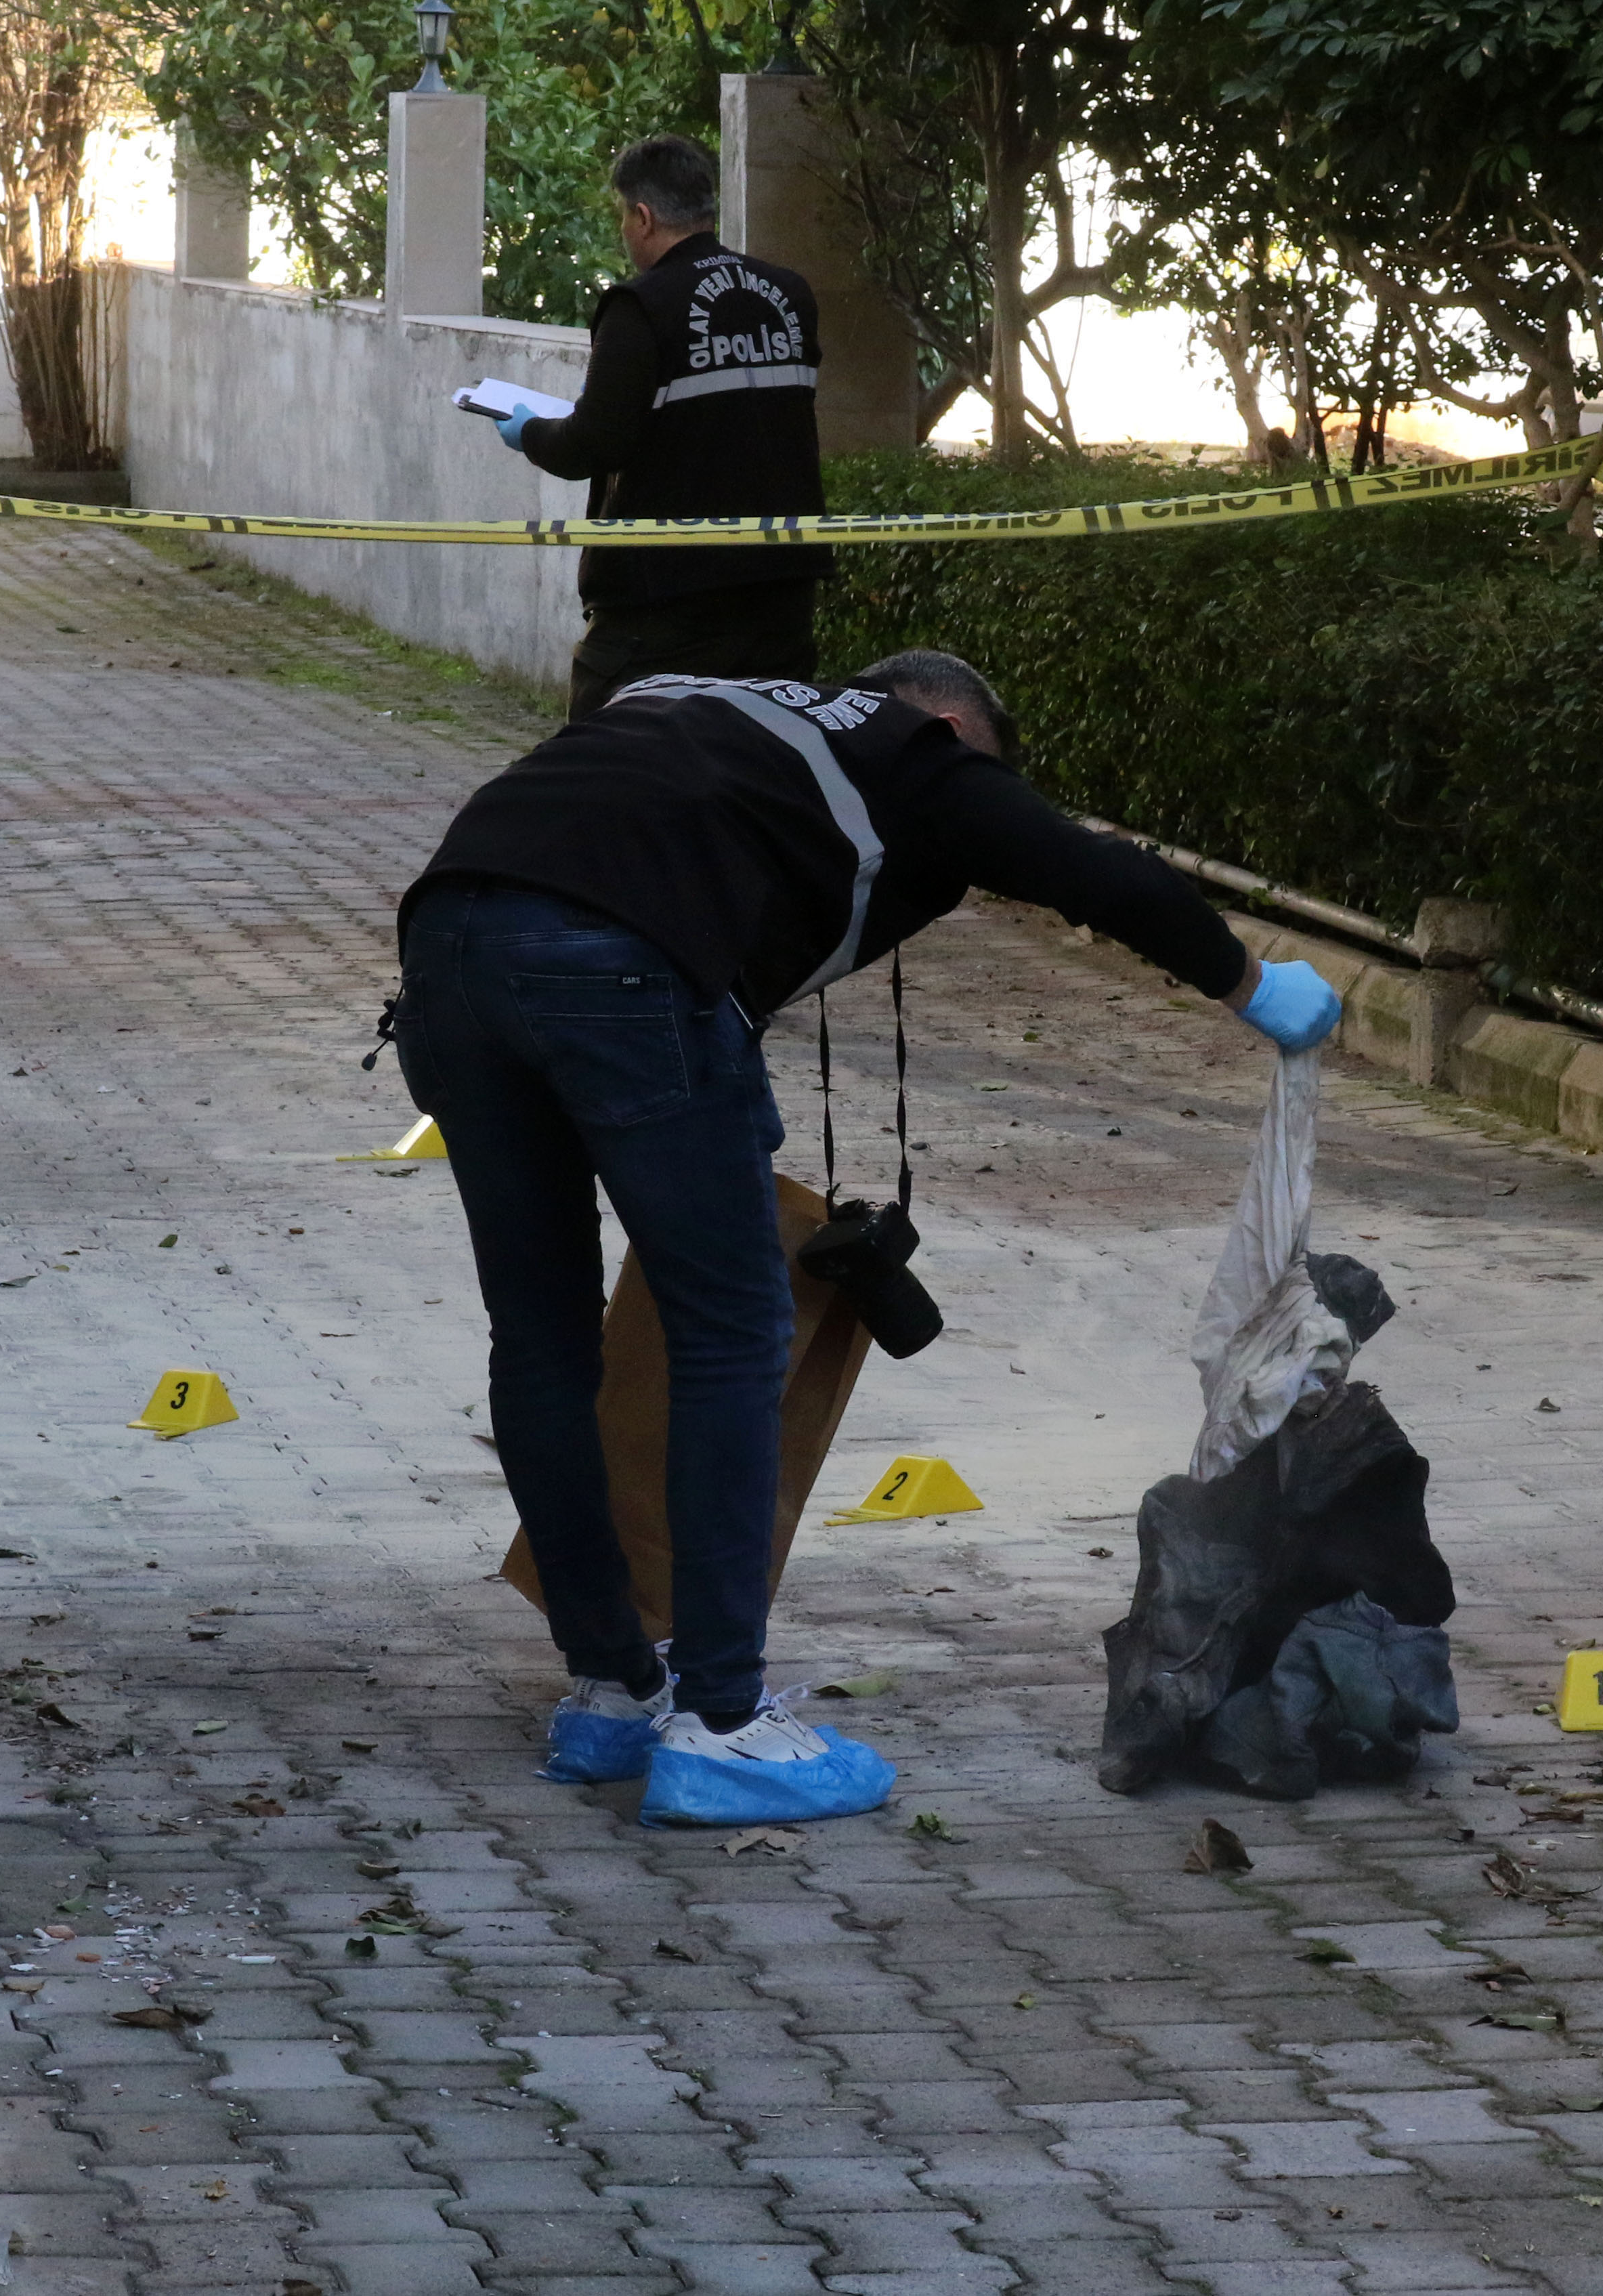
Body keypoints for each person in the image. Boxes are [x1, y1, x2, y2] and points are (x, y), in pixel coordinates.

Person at [391, 651, 1343, 1825]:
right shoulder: (914, 750)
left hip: (446, 950)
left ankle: (609, 1696)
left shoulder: (695, 700)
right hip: (620, 971)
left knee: (539, 1336)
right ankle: (724, 1724)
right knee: (733, 1333)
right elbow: (1098, 875)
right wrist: (1254, 986)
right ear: (951, 724)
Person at [490, 134, 830, 717]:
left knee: (617, 772)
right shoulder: (787, 294)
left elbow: (593, 444)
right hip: (779, 590)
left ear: (643, 217)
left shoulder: (641, 305)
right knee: (757, 765)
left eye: (625, 217)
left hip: (667, 597)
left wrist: (530, 430)